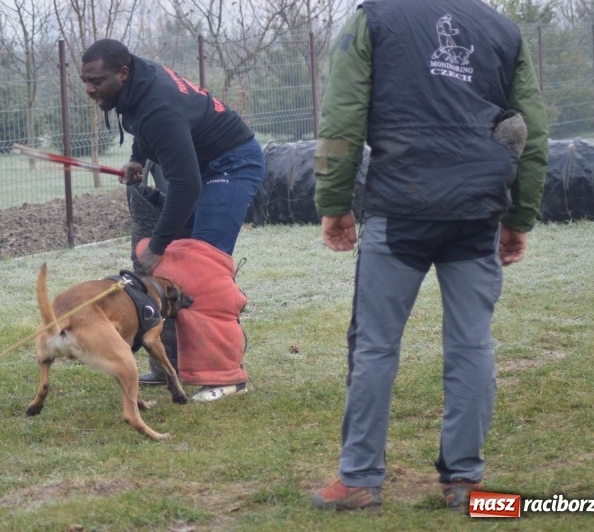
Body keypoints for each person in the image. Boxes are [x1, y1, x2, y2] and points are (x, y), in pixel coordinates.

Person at [311, 0, 548, 514]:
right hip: (477, 212)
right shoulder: (502, 29)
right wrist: (519, 217)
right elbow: (532, 130)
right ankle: (465, 482)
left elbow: (343, 114)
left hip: (402, 210)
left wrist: (333, 202)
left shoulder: (374, 19)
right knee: (471, 344)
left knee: (375, 347)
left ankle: (358, 481)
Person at [80, 39, 265, 401]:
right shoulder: (135, 83)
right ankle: (173, 367)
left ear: (122, 73)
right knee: (176, 270)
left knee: (202, 272)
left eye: (96, 81)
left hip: (232, 164)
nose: (89, 89)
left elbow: (186, 184)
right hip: (198, 163)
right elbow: (143, 128)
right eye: (85, 80)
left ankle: (227, 378)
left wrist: (158, 245)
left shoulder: (158, 105)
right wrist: (138, 157)